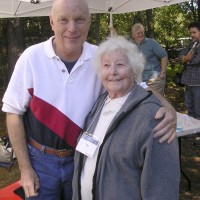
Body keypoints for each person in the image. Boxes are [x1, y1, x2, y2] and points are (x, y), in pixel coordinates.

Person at [2, 0, 176, 199]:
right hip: (41, 161)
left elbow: (139, 87)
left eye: (79, 20)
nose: (72, 28)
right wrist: (24, 168)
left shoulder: (101, 58)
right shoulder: (31, 57)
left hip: (83, 157)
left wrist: (167, 105)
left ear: (90, 21)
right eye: (63, 20)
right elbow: (13, 112)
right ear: (51, 22)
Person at [72, 36, 180, 200]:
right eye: (106, 65)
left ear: (134, 70)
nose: (112, 72)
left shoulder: (153, 116)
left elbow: (162, 187)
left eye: (120, 65)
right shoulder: (100, 103)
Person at [179, 22, 200, 147]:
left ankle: (199, 134)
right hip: (188, 82)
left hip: (198, 83)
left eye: (194, 32)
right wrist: (185, 58)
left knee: (199, 110)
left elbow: (196, 61)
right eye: (190, 33)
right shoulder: (191, 44)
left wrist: (186, 59)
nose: (192, 35)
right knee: (190, 108)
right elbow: (179, 56)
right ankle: (192, 132)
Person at [131, 23, 168, 95]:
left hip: (154, 80)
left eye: (142, 32)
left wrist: (163, 73)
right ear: (133, 35)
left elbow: (164, 55)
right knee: (144, 103)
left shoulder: (151, 42)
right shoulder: (131, 46)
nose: (141, 34)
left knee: (157, 102)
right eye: (138, 33)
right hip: (139, 81)